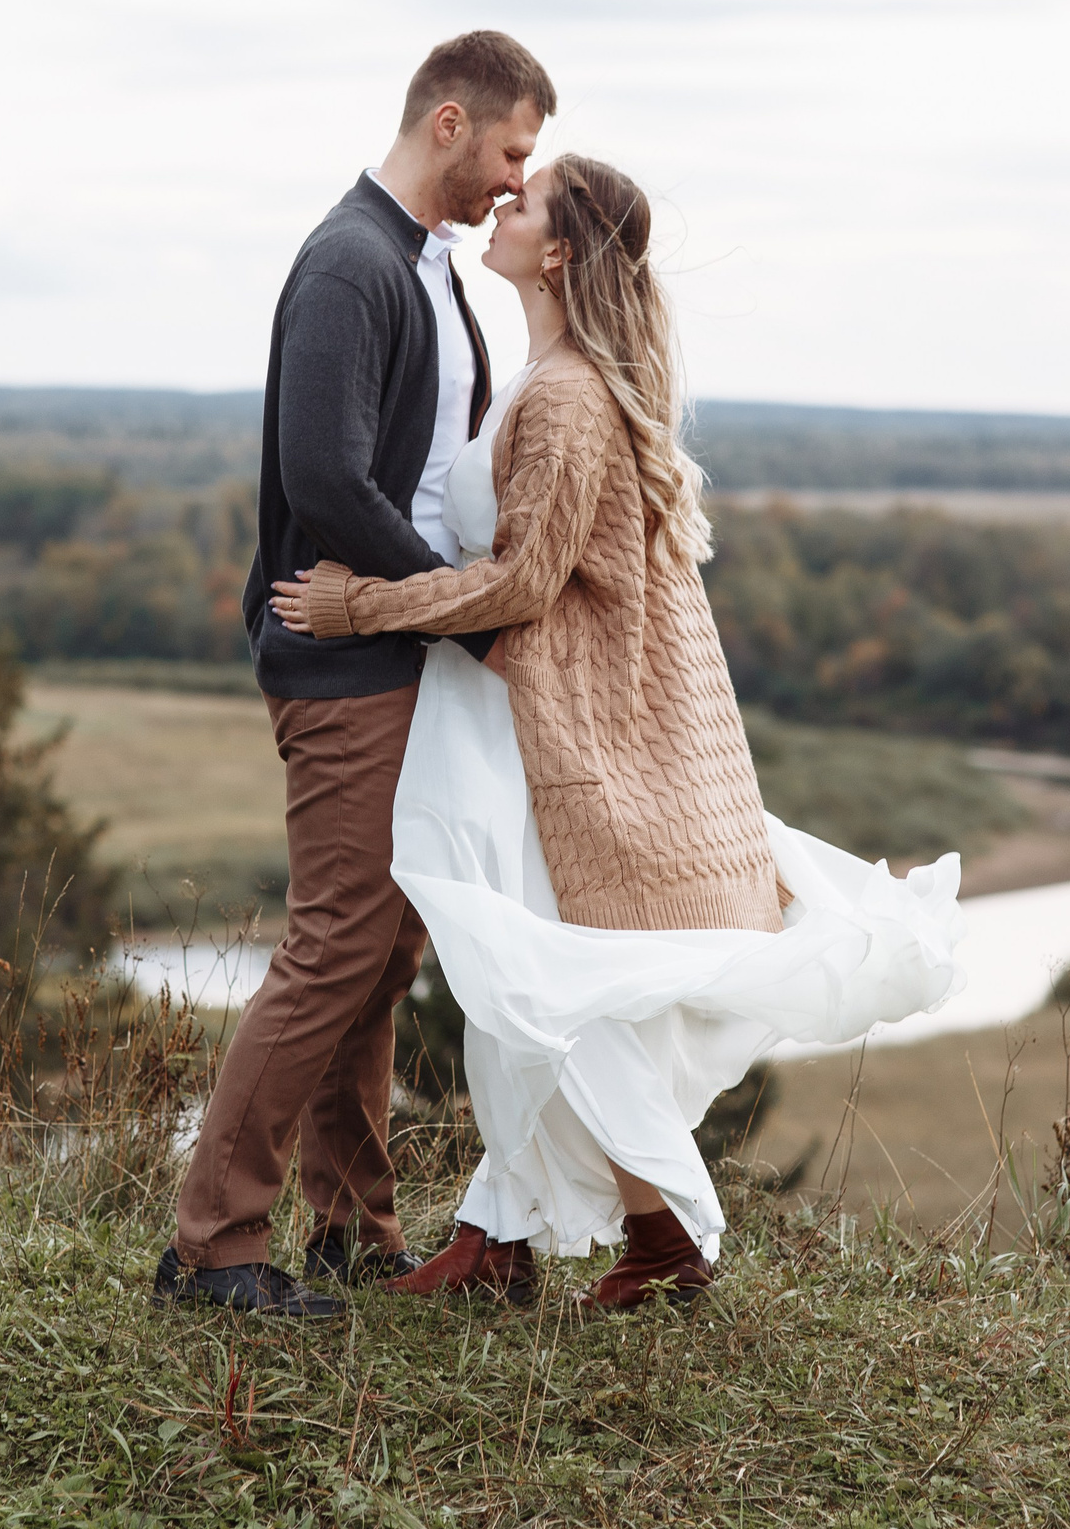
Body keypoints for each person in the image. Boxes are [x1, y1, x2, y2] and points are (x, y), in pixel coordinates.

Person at [270, 155, 967, 1310]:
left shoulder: (566, 398)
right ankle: (498, 1242)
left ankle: (662, 1243)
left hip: (543, 739)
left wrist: (364, 606)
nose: (501, 203)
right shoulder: (542, 376)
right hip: (498, 724)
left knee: (547, 979)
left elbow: (521, 583)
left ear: (557, 253)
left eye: (523, 198)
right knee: (524, 975)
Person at [153, 31, 556, 1319]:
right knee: (337, 945)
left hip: (392, 649)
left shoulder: (423, 268)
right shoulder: (349, 262)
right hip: (344, 662)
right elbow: (327, 480)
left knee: (383, 953)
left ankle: (351, 1229)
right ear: (449, 121)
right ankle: (215, 1247)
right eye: (509, 151)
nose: (513, 180)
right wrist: (453, 613)